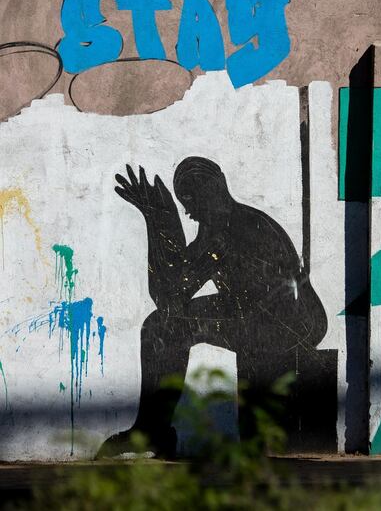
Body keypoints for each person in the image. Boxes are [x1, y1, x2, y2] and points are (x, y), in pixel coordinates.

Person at [99, 157, 334, 457]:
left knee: (163, 326)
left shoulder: (229, 230)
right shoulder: (221, 225)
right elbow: (170, 294)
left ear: (215, 187)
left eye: (191, 202)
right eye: (185, 205)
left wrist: (161, 218)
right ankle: (152, 430)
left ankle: (151, 431)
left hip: (285, 325)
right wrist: (159, 218)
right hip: (251, 311)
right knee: (161, 324)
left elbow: (170, 298)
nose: (190, 212)